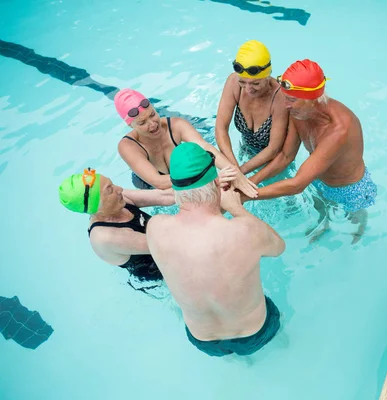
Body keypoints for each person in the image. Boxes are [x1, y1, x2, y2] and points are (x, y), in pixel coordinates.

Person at [146, 142, 285, 357]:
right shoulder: (244, 231)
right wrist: (236, 208)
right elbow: (278, 247)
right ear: (215, 181)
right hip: (253, 332)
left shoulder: (155, 228)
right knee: (279, 341)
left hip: (202, 338)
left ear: (175, 188)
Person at [243, 59, 377, 243]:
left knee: (354, 218)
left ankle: (360, 227)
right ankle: (325, 225)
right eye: (285, 98)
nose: (285, 105)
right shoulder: (298, 112)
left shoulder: (339, 129)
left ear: (312, 99)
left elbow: (298, 184)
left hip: (350, 188)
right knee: (321, 209)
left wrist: (243, 196)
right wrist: (247, 183)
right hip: (318, 179)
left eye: (291, 99)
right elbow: (285, 156)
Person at [115, 88, 258, 198]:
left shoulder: (176, 125)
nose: (153, 124)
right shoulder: (128, 146)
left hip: (185, 175)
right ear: (130, 126)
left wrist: (235, 173)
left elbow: (206, 148)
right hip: (152, 187)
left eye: (153, 114)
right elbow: (157, 182)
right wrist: (209, 178)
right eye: (142, 123)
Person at [57, 168, 175, 286]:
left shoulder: (119, 199)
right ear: (97, 205)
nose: (119, 189)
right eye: (109, 190)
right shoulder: (106, 237)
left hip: (163, 242)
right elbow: (167, 245)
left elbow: (163, 196)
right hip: (156, 268)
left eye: (112, 184)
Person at [215, 40, 289, 175]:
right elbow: (220, 128)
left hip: (274, 164)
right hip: (245, 151)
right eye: (243, 82)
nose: (248, 89)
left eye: (255, 83)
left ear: (267, 76)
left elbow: (273, 148)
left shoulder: (280, 97)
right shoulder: (233, 82)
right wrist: (233, 167)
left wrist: (240, 172)